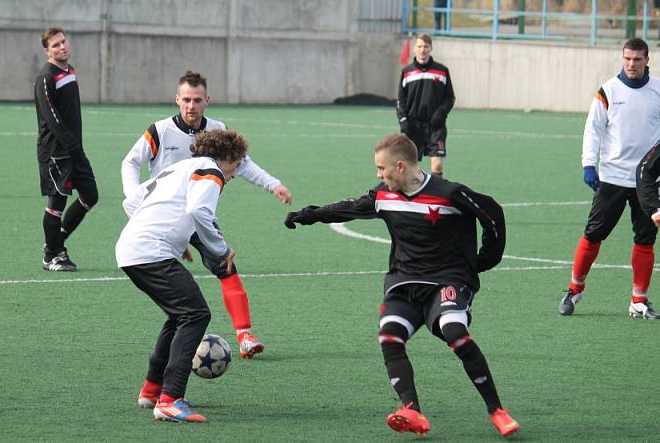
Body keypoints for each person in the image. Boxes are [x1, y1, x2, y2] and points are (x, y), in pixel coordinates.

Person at [284, 133, 519, 437]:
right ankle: (411, 409)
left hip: (447, 280)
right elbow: (349, 207)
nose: (378, 175)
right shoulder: (383, 195)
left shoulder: (450, 193)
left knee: (454, 331)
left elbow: (492, 214)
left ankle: (497, 411)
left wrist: (484, 260)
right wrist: (309, 215)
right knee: (390, 337)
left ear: (400, 166)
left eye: (381, 168)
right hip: (404, 282)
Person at [122, 71, 292, 358]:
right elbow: (130, 161)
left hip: (199, 216)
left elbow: (243, 164)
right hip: (167, 218)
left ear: (207, 101)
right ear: (177, 99)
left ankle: (245, 335)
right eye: (186, 100)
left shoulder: (216, 130)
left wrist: (272, 184)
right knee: (182, 296)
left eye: (197, 100)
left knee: (226, 266)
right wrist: (133, 196)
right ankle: (174, 348)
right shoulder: (160, 130)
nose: (191, 106)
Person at [117, 129, 247, 423]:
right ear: (225, 157)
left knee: (179, 315)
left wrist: (173, 235)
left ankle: (152, 390)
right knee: (195, 314)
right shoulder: (211, 171)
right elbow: (199, 211)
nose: (235, 173)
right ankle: (170, 399)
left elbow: (131, 202)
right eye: (236, 165)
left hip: (132, 249)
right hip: (150, 251)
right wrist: (220, 250)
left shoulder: (178, 167)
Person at [559, 38, 660, 320]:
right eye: (627, 59)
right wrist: (588, 165)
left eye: (637, 59)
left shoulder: (658, 90)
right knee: (593, 235)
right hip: (612, 176)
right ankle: (573, 290)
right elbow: (593, 130)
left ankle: (638, 300)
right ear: (622, 59)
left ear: (647, 60)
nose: (631, 64)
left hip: (648, 182)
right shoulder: (608, 90)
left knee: (645, 240)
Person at [34, 26, 98, 272]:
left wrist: (76, 148)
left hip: (74, 149)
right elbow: (52, 119)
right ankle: (52, 256)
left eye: (63, 42)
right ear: (47, 51)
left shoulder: (69, 70)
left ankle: (55, 242)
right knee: (56, 204)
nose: (62, 47)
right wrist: (72, 147)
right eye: (55, 45)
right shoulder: (46, 77)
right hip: (56, 152)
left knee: (90, 195)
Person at [397, 34, 454, 177]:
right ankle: (412, 196)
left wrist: (440, 114)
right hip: (413, 125)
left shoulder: (442, 71)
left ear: (431, 48)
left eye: (426, 46)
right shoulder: (407, 72)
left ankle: (437, 195)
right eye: (419, 46)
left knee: (437, 164)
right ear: (415, 49)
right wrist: (403, 121)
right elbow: (400, 101)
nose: (423, 50)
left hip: (435, 125)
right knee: (411, 165)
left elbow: (450, 98)